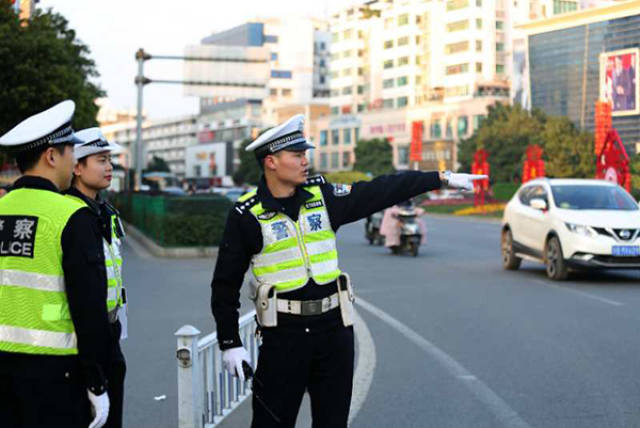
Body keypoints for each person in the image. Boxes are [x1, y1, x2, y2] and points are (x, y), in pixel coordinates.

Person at [210, 114, 486, 428]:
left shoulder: (323, 198)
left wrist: (439, 178)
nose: (305, 161)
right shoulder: (246, 215)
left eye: (305, 155)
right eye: (298, 155)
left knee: (333, 423)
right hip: (283, 337)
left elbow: (381, 189)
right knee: (272, 423)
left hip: (334, 333)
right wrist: (230, 343)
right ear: (271, 162)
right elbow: (225, 286)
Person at [0, 101, 111, 428]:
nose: (73, 160)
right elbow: (88, 306)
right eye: (69, 152)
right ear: (51, 156)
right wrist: (96, 380)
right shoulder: (71, 216)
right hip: (56, 372)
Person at [64, 127, 128, 428]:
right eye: (100, 160)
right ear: (77, 167)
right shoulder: (69, 214)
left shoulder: (106, 211)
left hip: (111, 331)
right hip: (83, 337)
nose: (109, 167)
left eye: (110, 160)